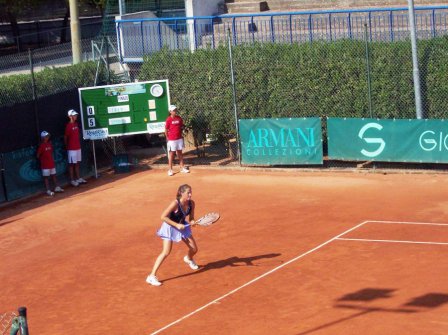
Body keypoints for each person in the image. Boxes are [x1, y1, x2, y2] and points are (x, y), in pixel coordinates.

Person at [146, 184, 199, 286]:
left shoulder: (192, 203)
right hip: (169, 226)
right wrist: (176, 225)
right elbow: (163, 216)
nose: (190, 194)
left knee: (194, 249)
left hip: (182, 225)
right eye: (188, 192)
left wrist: (192, 221)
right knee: (166, 252)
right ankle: (151, 276)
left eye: (191, 192)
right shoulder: (175, 203)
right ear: (181, 193)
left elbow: (191, 217)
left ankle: (188, 258)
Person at [36, 131, 64, 196]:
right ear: (43, 138)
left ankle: (57, 187)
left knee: (54, 175)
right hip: (45, 165)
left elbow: (51, 153)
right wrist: (43, 159)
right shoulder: (41, 146)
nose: (47, 137)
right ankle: (48, 190)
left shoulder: (49, 144)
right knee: (46, 178)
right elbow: (38, 155)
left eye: (48, 136)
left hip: (51, 163)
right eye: (46, 136)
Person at [165, 104, 189, 176]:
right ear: (170, 111)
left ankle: (182, 168)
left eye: (175, 110)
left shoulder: (179, 118)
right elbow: (166, 129)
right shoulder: (168, 119)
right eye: (173, 110)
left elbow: (182, 126)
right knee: (171, 154)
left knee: (180, 153)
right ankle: (170, 170)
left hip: (179, 139)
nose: (175, 111)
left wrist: (184, 130)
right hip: (172, 140)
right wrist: (167, 138)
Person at [64, 109, 87, 187]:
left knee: (77, 163)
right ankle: (72, 180)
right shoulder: (68, 126)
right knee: (71, 165)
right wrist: (67, 147)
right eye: (74, 115)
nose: (76, 116)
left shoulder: (76, 124)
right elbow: (65, 137)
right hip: (71, 149)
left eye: (76, 115)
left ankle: (78, 178)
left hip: (78, 147)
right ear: (70, 116)